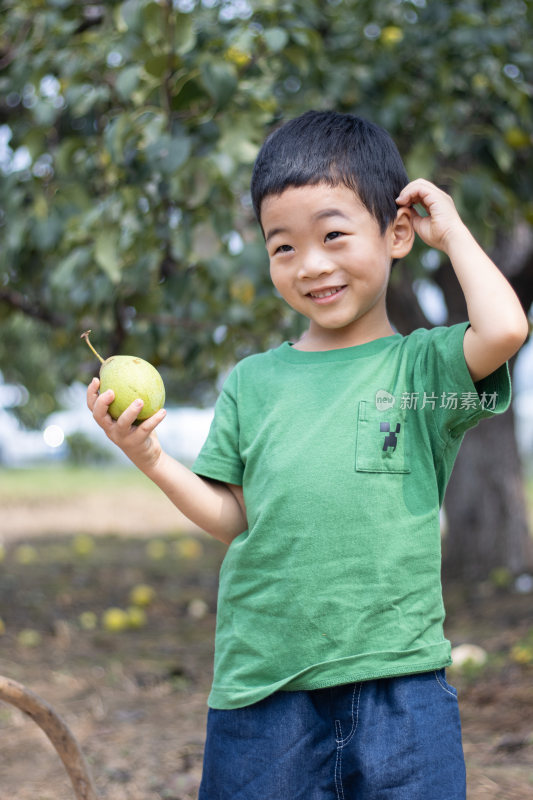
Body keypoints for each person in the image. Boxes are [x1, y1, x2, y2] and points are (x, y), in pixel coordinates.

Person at [87, 110, 528, 799]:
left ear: (396, 234)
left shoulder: (421, 370)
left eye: (332, 235)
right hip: (265, 690)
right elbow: (231, 516)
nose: (310, 264)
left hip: (399, 686)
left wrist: (454, 232)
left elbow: (503, 328)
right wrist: (149, 456)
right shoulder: (254, 381)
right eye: (282, 247)